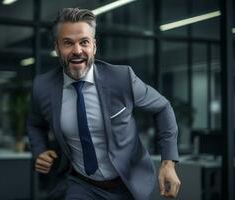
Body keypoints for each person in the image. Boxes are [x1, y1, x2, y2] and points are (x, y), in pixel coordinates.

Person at [27, 7, 181, 200]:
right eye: (68, 43)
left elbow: (163, 107)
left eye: (84, 42)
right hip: (80, 184)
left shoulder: (122, 78)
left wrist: (168, 163)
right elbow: (34, 123)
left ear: (94, 46)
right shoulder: (43, 87)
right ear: (57, 48)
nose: (77, 51)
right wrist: (39, 150)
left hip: (128, 184)